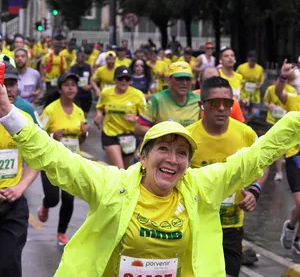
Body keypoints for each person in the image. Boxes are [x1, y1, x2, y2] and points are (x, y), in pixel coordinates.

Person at [0, 60, 300, 276]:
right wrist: (8, 114)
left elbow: (256, 155)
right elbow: (56, 158)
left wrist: (295, 121)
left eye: (182, 153)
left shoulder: (200, 185)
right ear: (143, 157)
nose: (172, 159)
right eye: (163, 149)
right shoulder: (111, 185)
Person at [187, 77, 267, 277]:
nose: (222, 108)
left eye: (228, 103)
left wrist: (254, 191)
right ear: (202, 105)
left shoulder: (245, 134)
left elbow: (264, 164)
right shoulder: (188, 137)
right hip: (198, 225)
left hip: (231, 225)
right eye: (214, 103)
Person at [38, 72, 88, 246]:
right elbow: (39, 136)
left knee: (69, 199)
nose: (70, 88)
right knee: (53, 200)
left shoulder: (80, 112)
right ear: (60, 89)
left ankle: (61, 232)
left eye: (73, 85)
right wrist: (53, 136)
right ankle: (45, 204)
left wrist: (83, 135)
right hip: (52, 162)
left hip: (71, 162)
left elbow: (81, 141)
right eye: (66, 85)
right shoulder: (50, 110)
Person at [0, 62, 39, 277]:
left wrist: (21, 187)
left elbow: (37, 159)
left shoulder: (23, 120)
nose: (8, 89)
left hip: (13, 204)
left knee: (9, 264)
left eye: (12, 84)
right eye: (3, 84)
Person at [94, 66, 146, 169]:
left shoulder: (137, 95)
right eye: (120, 78)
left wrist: (135, 118)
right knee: (120, 168)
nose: (123, 81)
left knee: (125, 169)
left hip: (129, 136)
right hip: (110, 133)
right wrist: (99, 114)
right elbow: (100, 107)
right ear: (115, 80)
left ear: (130, 80)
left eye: (127, 78)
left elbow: (146, 117)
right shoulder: (106, 93)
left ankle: (116, 184)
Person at [134, 61, 200, 136]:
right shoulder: (158, 100)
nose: (184, 83)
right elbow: (138, 128)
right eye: (180, 79)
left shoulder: (198, 100)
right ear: (169, 80)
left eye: (187, 79)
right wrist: (164, 135)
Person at [275, 60, 300, 254]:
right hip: (295, 156)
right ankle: (292, 227)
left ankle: (295, 234)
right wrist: (283, 76)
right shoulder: (294, 99)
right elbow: (278, 93)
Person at [263, 77, 296, 181]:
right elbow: (265, 101)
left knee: (284, 146)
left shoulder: (291, 90)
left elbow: (293, 105)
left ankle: (281, 168)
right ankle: (278, 170)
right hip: (272, 120)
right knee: (276, 146)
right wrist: (269, 105)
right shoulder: (270, 89)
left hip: (286, 123)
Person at [237, 51, 264, 116]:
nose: (253, 62)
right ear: (248, 59)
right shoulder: (241, 67)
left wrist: (260, 84)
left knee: (255, 114)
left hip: (255, 96)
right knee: (243, 114)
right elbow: (236, 78)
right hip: (243, 95)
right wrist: (241, 82)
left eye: (255, 60)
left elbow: (262, 80)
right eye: (251, 60)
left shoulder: (260, 68)